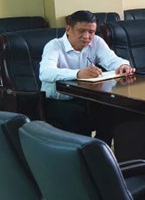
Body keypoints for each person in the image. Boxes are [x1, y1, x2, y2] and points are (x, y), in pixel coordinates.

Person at [39, 10, 135, 139]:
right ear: (68, 29)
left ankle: (101, 148)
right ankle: (83, 150)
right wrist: (78, 73)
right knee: (78, 116)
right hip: (56, 100)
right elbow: (45, 73)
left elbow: (112, 59)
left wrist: (123, 65)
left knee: (111, 110)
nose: (87, 36)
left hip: (85, 98)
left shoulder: (96, 42)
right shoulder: (54, 46)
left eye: (91, 32)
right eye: (81, 31)